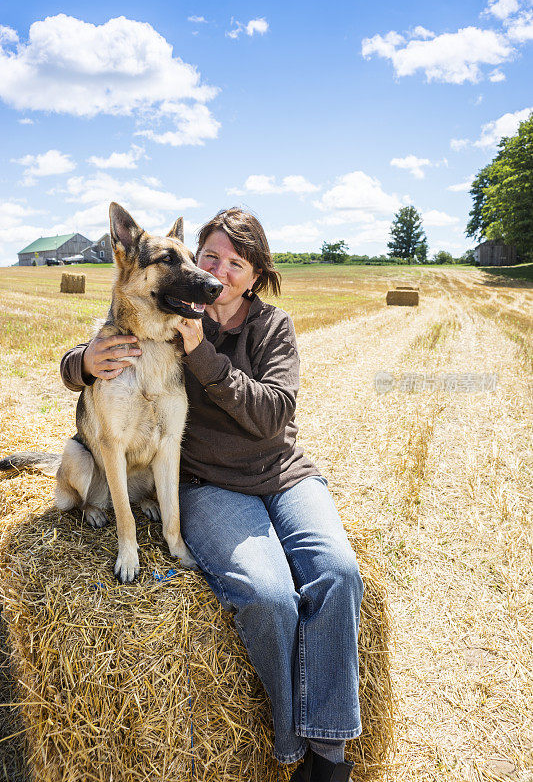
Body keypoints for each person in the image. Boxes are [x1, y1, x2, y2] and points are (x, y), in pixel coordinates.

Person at [60, 208, 364, 782]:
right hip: (212, 488)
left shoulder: (268, 328)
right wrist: (79, 361)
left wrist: (203, 354)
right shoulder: (171, 315)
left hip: (283, 475)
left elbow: (274, 414)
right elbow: (117, 337)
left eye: (237, 264)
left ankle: (329, 758)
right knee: (270, 597)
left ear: (255, 275)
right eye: (211, 258)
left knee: (340, 574)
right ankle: (290, 740)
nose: (219, 273)